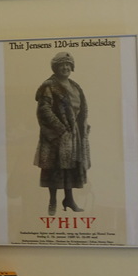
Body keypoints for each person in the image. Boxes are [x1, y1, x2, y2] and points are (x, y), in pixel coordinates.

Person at [33, 51, 90, 213]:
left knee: (70, 167)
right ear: (55, 67)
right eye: (61, 65)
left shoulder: (75, 86)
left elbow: (81, 110)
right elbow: (44, 110)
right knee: (54, 167)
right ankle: (52, 201)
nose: (65, 67)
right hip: (57, 135)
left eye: (68, 64)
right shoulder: (49, 86)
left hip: (74, 134)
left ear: (72, 67)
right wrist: (60, 129)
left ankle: (69, 200)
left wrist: (82, 128)